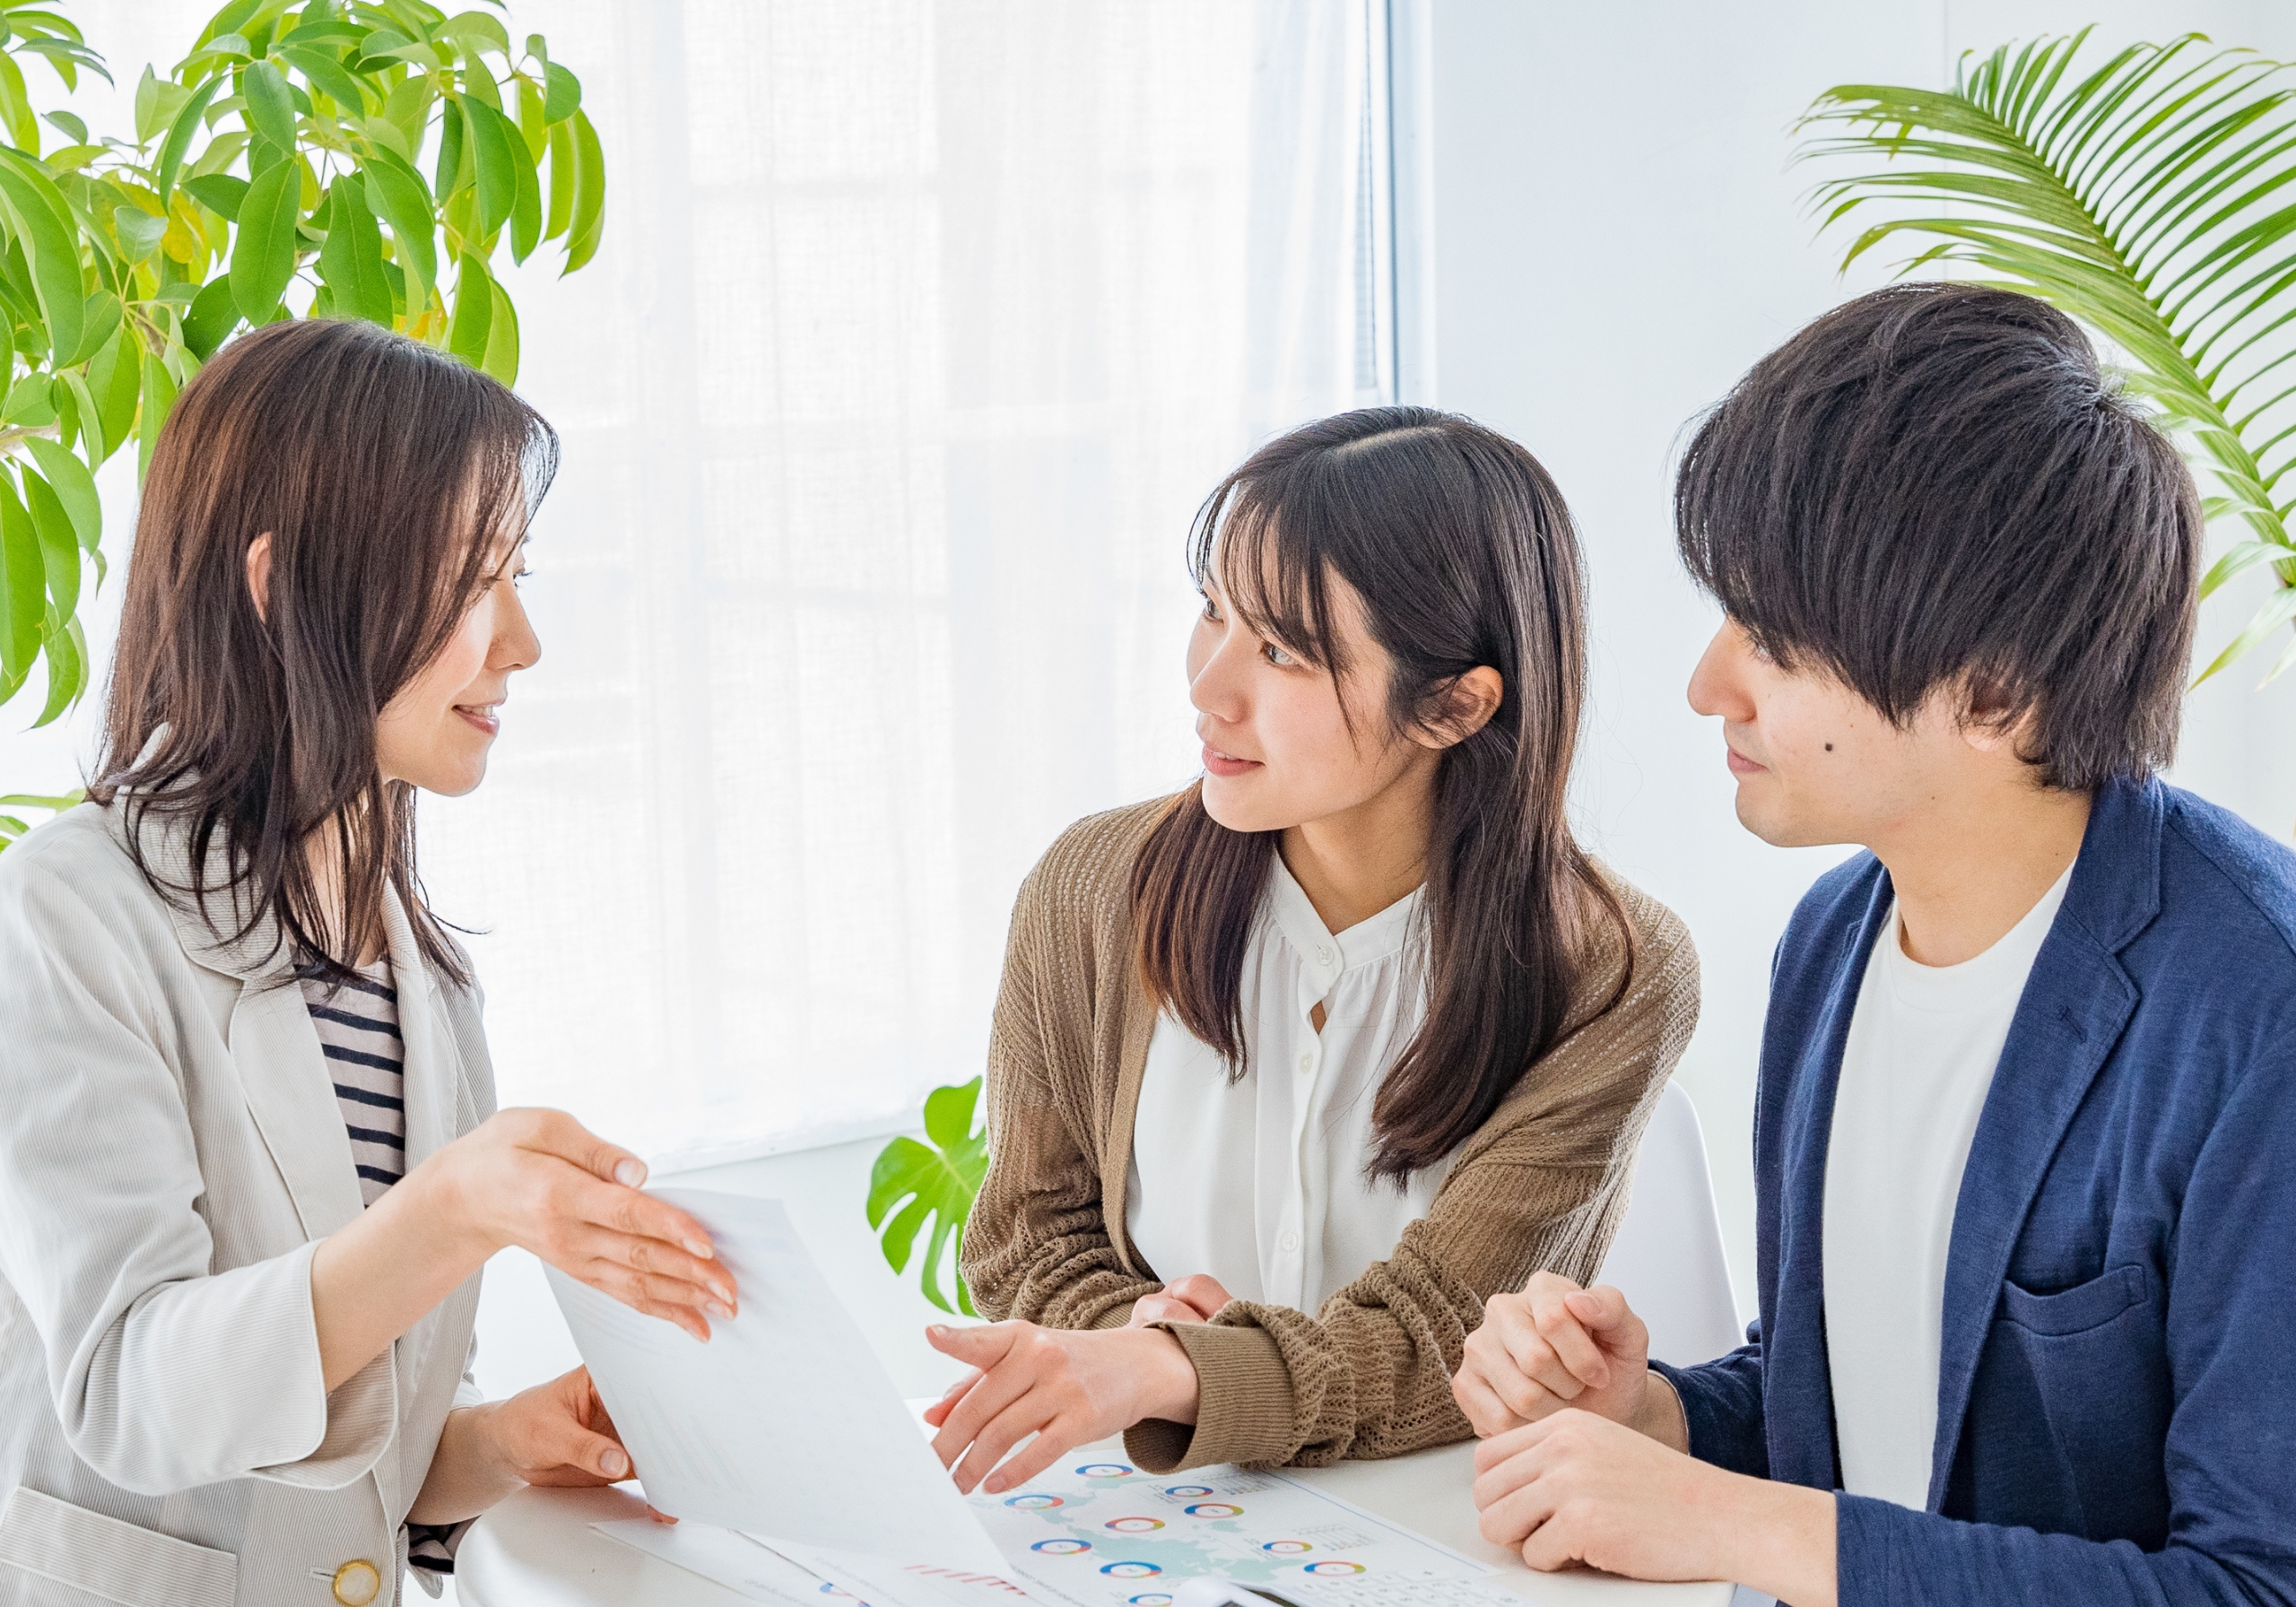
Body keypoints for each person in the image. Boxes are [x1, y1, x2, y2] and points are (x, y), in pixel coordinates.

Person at [1453, 284, 2296, 1605]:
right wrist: (1665, 1420)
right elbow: (1874, 1418)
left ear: (1999, 694)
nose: (1705, 686)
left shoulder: (2256, 1015)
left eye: (1776, 645)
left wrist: (1743, 1531)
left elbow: (2256, 1583)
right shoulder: (1834, 941)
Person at [0, 319, 735, 1607]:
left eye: (519, 576)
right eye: (472, 578)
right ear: (284, 587)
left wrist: (502, 1445)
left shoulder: (423, 977)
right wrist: (454, 1210)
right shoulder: (67, 915)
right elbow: (130, 1390)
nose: (520, 642)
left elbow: (353, 1449)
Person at [924, 406, 1700, 1495]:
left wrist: (1181, 1369)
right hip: (1161, 1521)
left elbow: (1437, 1345)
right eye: (1213, 613)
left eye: (1281, 650)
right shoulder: (1093, 889)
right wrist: (1128, 1335)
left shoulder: (1607, 969)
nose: (1208, 688)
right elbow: (1023, 1238)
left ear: (1453, 703)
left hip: (1449, 1528)